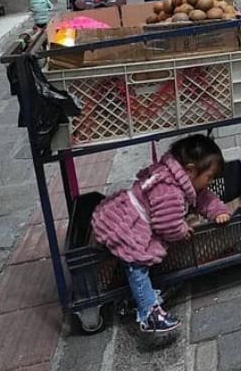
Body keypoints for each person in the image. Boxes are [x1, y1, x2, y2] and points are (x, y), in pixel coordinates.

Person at [91, 135, 232, 339]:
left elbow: (202, 197)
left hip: (130, 215)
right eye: (209, 177)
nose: (209, 182)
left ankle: (143, 297)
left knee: (135, 261)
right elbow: (167, 225)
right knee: (136, 263)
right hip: (126, 224)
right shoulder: (170, 191)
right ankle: (149, 313)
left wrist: (217, 211)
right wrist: (182, 230)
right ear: (191, 170)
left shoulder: (178, 178)